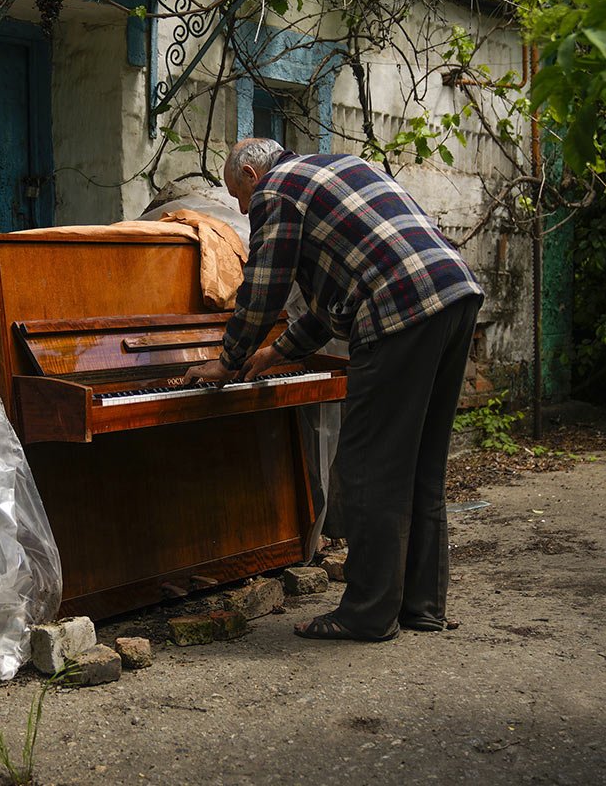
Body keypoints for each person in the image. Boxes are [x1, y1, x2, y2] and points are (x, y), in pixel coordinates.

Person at [185, 138, 483, 641]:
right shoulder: (339, 168)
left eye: (239, 199)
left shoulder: (275, 191)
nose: (244, 210)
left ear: (252, 177)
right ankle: (422, 607)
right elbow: (330, 307)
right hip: (454, 295)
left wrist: (228, 360)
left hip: (400, 312)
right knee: (422, 463)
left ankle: (366, 613)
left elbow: (264, 287)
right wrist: (275, 353)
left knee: (369, 466)